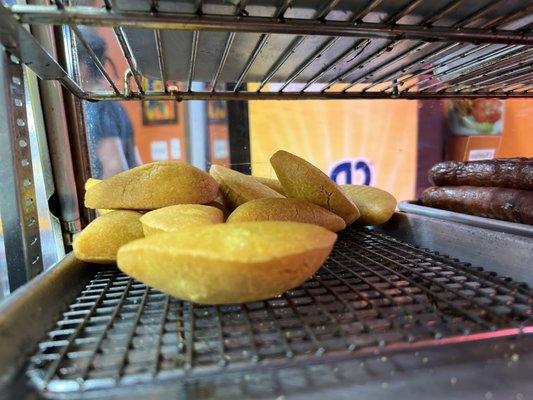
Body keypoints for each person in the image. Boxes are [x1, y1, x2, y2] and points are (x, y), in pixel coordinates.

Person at [77, 28, 142, 179]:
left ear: (84, 68)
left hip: (113, 198)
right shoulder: (114, 104)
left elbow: (115, 168)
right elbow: (136, 162)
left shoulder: (95, 105)